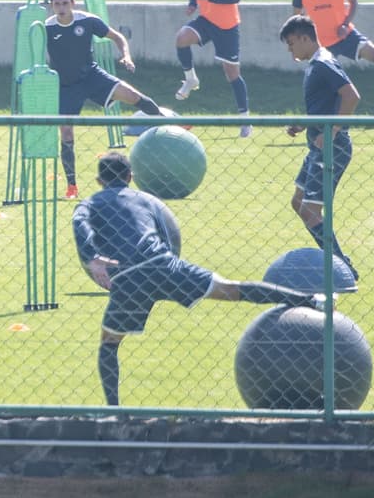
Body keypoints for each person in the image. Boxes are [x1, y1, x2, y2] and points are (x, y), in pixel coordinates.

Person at [72, 152, 323, 407]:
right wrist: (169, 266)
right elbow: (168, 235)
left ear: (98, 180)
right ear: (130, 176)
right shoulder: (147, 200)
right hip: (164, 265)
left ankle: (114, 410)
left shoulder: (89, 204)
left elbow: (80, 223)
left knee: (109, 343)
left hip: (127, 278)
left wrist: (91, 257)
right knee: (231, 288)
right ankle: (312, 301)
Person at [44, 0, 167, 199]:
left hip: (92, 76)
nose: (61, 8)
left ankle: (167, 127)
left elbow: (117, 37)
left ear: (73, 3)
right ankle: (72, 186)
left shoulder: (88, 21)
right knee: (66, 132)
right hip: (65, 87)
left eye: (65, 3)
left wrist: (126, 55)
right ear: (51, 5)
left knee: (133, 96)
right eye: (57, 4)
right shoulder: (47, 27)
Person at [280, 15, 361, 281]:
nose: (290, 51)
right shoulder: (315, 65)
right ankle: (338, 261)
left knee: (310, 210)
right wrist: (304, 124)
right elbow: (326, 104)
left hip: (331, 148)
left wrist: (332, 132)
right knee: (298, 202)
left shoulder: (325, 63)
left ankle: (339, 266)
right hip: (318, 147)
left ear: (305, 38)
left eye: (292, 44)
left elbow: (351, 96)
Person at [173, 0, 251, 137]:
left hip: (227, 26)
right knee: (181, 38)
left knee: (232, 74)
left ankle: (245, 119)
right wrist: (192, 5)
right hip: (206, 21)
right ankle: (190, 79)